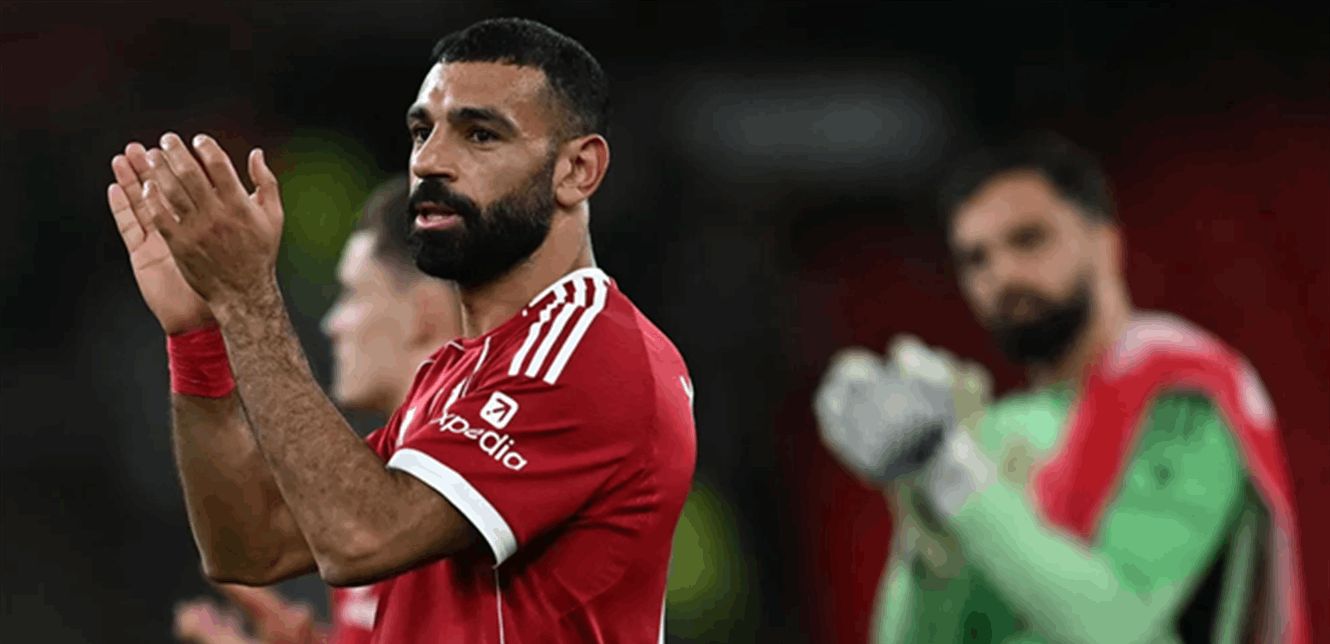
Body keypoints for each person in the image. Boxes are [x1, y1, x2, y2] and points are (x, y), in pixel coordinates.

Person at [106, 17, 695, 643]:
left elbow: (360, 538)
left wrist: (247, 295)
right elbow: (254, 547)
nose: (429, 161)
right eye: (422, 131)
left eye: (480, 134)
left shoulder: (590, 352)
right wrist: (199, 335)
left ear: (577, 169)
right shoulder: (459, 371)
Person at [814, 133, 1308, 643]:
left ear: (1105, 242)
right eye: (976, 260)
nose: (1003, 275)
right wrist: (927, 534)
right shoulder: (985, 433)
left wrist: (951, 474)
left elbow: (1116, 627)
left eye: (1029, 240)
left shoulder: (1184, 395)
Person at [169, 177, 461, 643]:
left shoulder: (476, 472)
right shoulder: (382, 479)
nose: (332, 324)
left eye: (351, 293)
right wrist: (191, 337)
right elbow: (243, 552)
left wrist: (242, 299)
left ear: (424, 312)